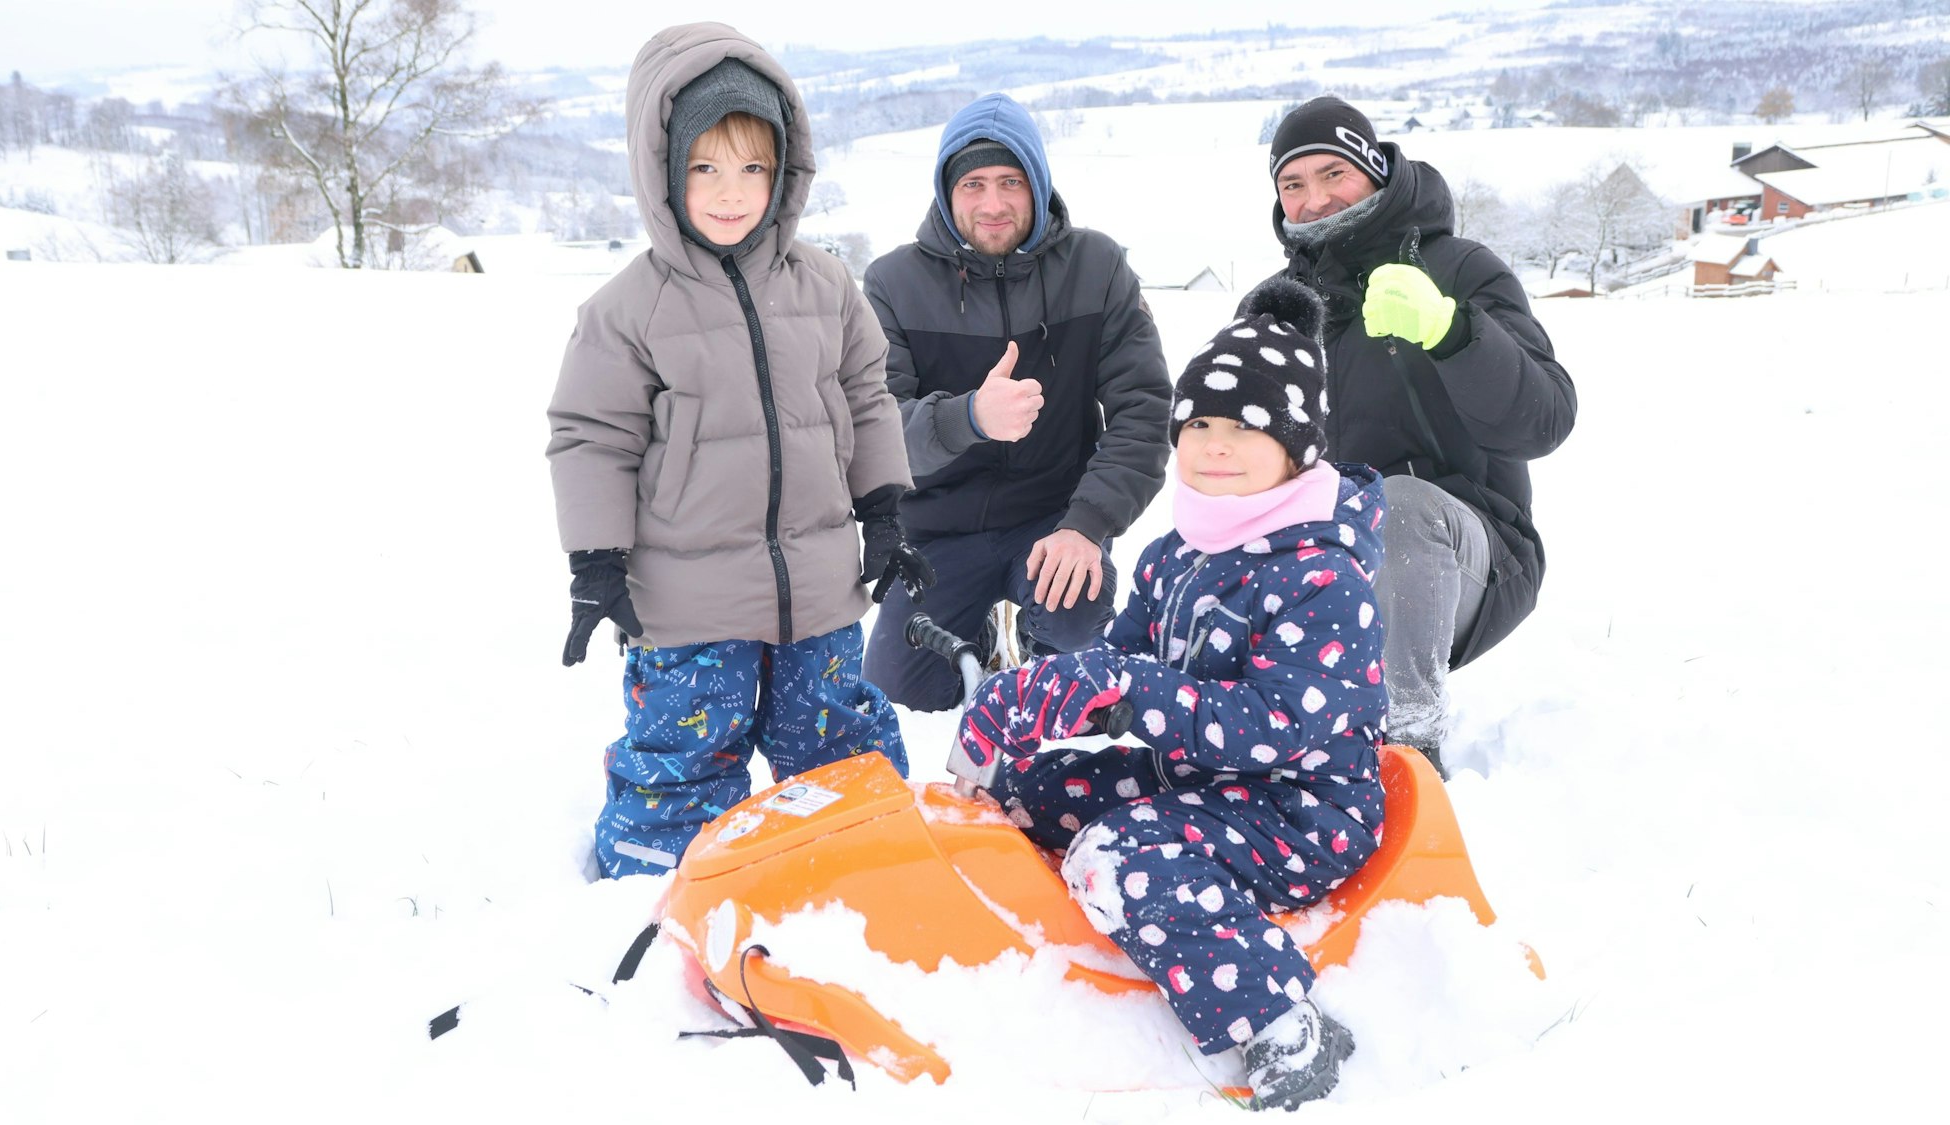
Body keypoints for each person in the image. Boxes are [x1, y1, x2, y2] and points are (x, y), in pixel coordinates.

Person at [957, 279, 1386, 1111]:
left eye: (1243, 428)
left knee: (1126, 852)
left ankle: (1284, 1026)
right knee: (1034, 788)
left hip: (1298, 809)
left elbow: (1269, 730)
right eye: (1198, 425)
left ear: (1297, 449)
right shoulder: (1179, 550)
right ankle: (1031, 936)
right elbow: (1122, 661)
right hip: (1198, 776)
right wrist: (1047, 694)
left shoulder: (1325, 577)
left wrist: (1129, 689)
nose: (1214, 447)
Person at [545, 24, 933, 880]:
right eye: (705, 168)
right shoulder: (628, 309)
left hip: (821, 587)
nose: (732, 193)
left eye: (754, 168)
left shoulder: (825, 284)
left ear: (784, 171)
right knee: (683, 757)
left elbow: (867, 399)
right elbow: (590, 436)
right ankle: (659, 895)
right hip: (689, 600)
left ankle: (863, 874)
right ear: (663, 171)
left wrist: (884, 509)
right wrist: (597, 561)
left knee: (836, 748)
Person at [1253, 95, 1576, 774]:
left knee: (1394, 504)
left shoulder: (1459, 267)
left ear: (1373, 169)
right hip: (1329, 565)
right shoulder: (1275, 307)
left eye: (1332, 173)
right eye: (1293, 185)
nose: (1313, 200)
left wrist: (1452, 331)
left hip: (1470, 554)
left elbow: (1546, 418)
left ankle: (1407, 754)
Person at [860, 92, 1172, 711]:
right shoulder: (893, 285)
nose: (994, 204)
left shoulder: (1097, 267)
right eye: (973, 183)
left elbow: (1144, 411)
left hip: (1053, 521)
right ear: (947, 192)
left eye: (1011, 181)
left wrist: (1088, 525)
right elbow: (874, 431)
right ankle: (978, 631)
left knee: (1076, 632)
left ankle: (1033, 637)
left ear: (1038, 185)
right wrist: (966, 418)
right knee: (897, 691)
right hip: (939, 532)